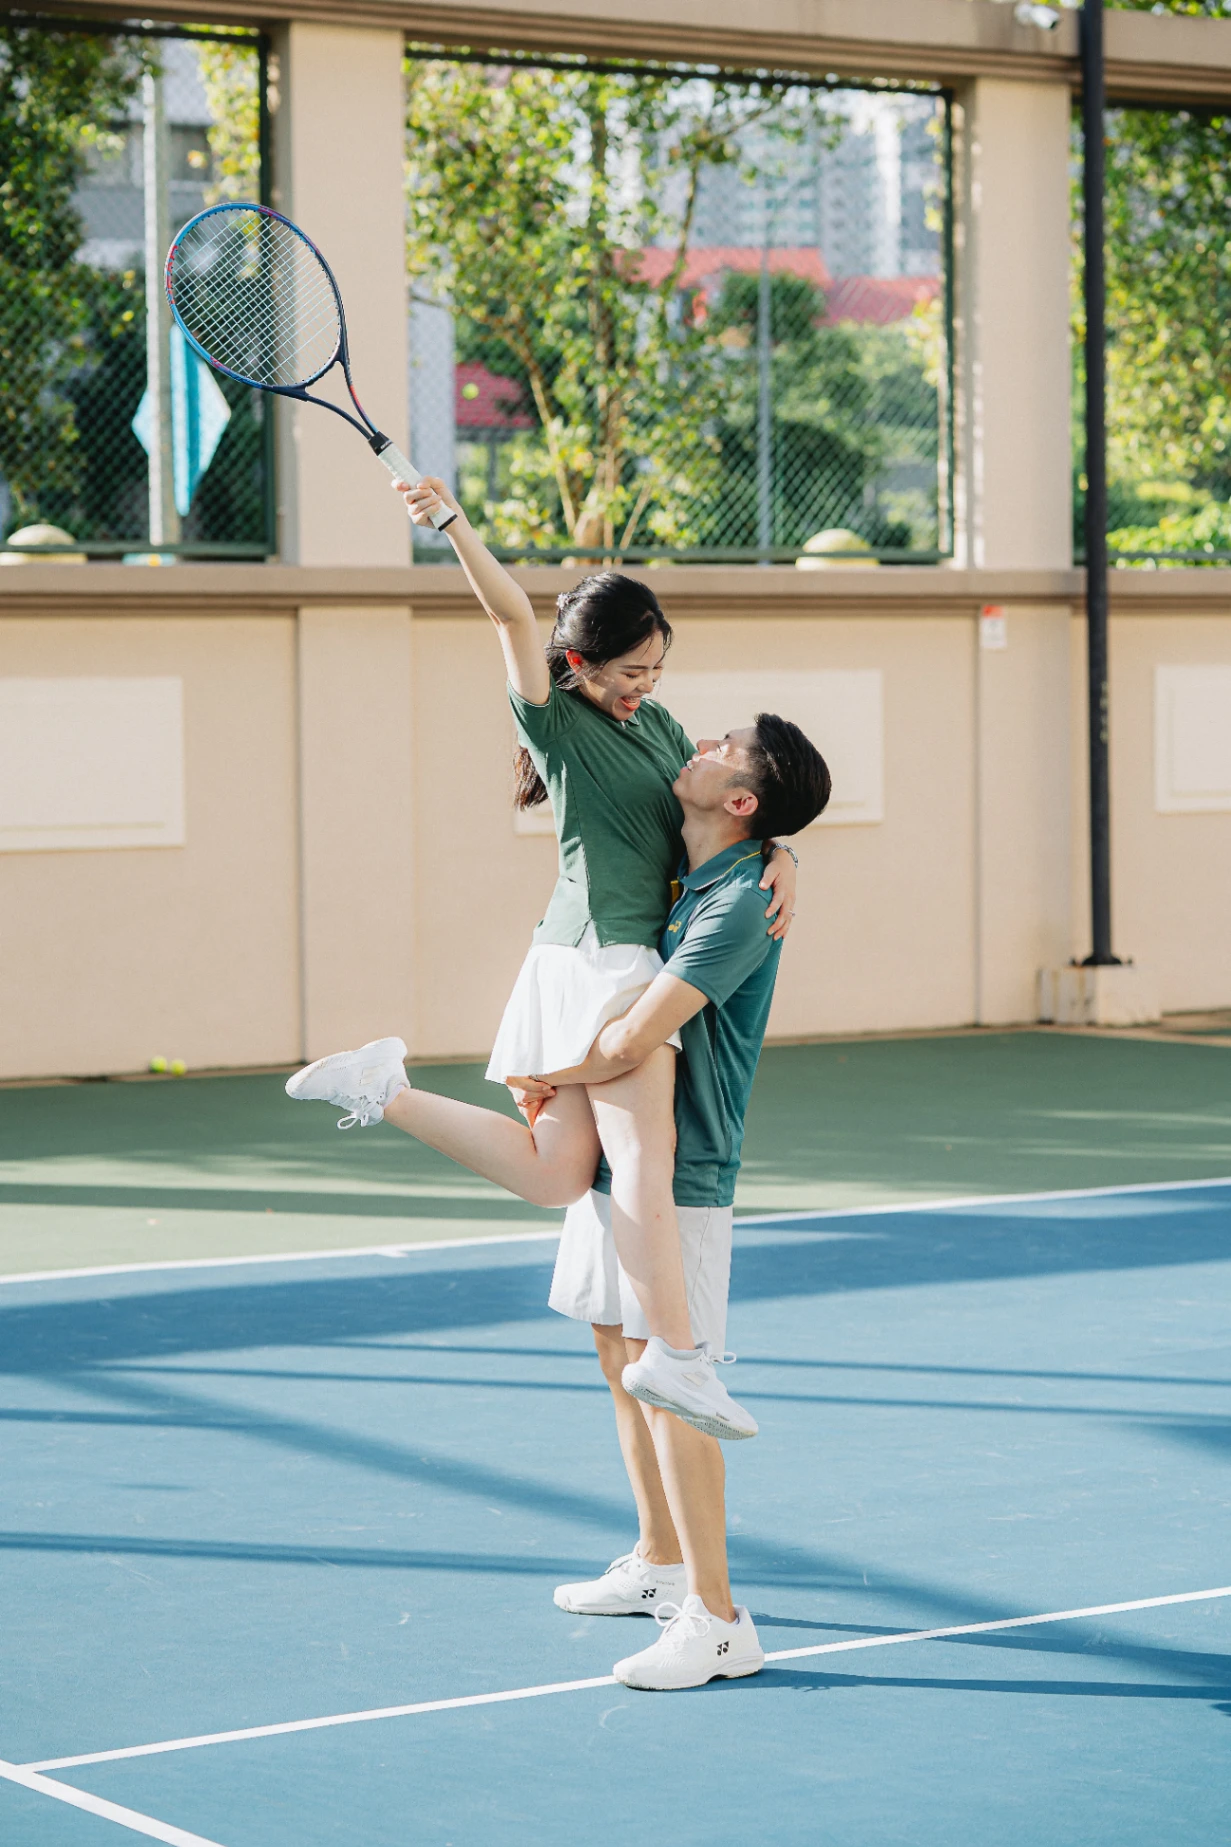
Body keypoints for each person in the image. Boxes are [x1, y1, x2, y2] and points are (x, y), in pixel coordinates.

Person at [287, 710, 833, 1689]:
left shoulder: (740, 900)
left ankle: (717, 1617)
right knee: (620, 1355)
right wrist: (785, 846)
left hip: (689, 1179)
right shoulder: (696, 862)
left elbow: (636, 1037)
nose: (698, 741)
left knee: (675, 1386)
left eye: (723, 746)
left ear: (741, 799)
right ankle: (661, 1562)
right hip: (624, 1164)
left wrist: (546, 1067)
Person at [325, 475, 796, 1439]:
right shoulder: (554, 716)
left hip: (601, 960)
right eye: (629, 672)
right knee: (643, 1161)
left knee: (555, 1174)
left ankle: (385, 1088)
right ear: (579, 663)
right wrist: (451, 522)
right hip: (600, 962)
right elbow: (507, 611)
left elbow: (718, 817)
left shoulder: (657, 730)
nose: (645, 690)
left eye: (656, 672)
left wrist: (784, 849)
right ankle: (677, 1352)